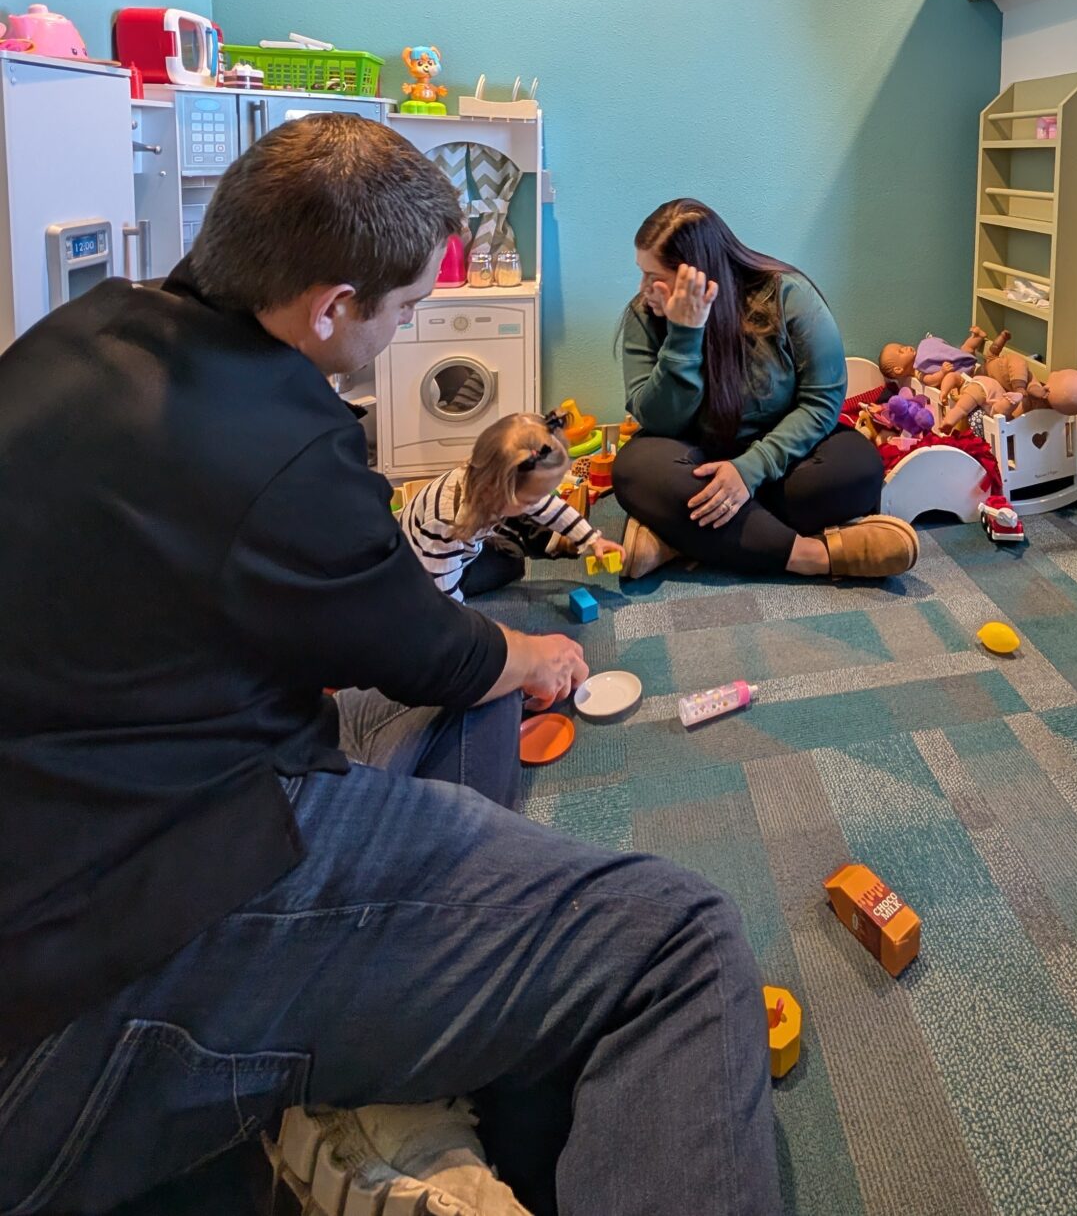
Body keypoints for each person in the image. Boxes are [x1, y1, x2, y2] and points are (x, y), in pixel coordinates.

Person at [0, 118, 778, 1216]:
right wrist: (536, 648)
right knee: (677, 936)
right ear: (330, 305)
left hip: (87, 800)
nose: (401, 329)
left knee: (474, 713)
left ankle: (411, 1043)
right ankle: (380, 1082)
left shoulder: (77, 333)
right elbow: (437, 648)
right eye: (405, 309)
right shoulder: (285, 446)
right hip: (103, 947)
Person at [612, 198, 918, 581]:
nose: (644, 289)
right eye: (641, 274)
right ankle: (814, 555)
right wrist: (684, 336)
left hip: (780, 456)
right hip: (692, 459)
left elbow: (822, 402)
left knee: (859, 469)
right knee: (632, 470)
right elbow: (660, 421)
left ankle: (680, 536)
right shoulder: (645, 315)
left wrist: (749, 470)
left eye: (653, 277)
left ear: (697, 275)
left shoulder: (788, 295)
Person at [397, 408, 623, 600]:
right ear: (499, 492)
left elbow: (547, 506)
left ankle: (543, 534)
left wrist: (593, 539)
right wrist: (482, 637)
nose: (542, 501)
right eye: (532, 499)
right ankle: (538, 535)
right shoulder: (446, 527)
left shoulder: (487, 478)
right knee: (512, 563)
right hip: (423, 575)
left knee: (524, 521)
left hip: (472, 536)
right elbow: (445, 599)